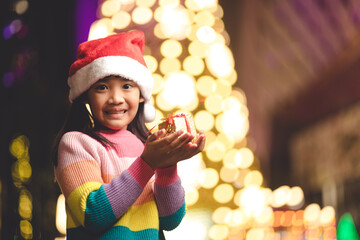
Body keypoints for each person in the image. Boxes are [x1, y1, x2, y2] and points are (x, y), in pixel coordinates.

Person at [52, 30, 206, 239]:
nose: (116, 98)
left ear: (141, 95)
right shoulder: (75, 143)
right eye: (102, 87)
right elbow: (93, 215)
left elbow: (170, 220)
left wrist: (167, 166)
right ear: (86, 95)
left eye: (127, 86)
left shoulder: (147, 146)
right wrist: (147, 163)